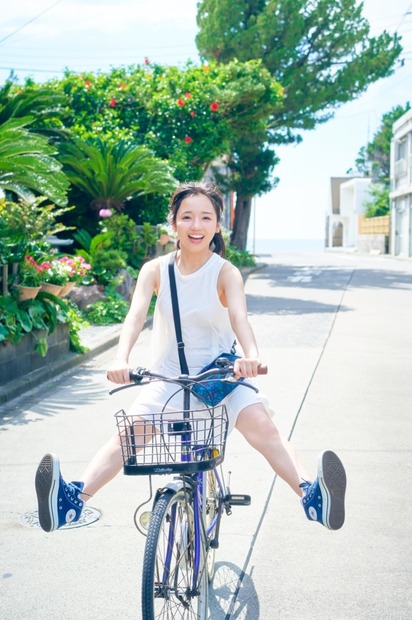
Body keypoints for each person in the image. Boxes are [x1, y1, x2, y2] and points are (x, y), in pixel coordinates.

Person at [35, 181, 346, 533]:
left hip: (220, 379)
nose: (195, 226)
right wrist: (120, 359)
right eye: (187, 217)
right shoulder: (155, 270)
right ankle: (70, 503)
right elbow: (136, 316)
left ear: (217, 225)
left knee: (263, 428)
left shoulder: (225, 272)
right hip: (167, 378)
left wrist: (252, 357)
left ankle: (313, 496)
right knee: (127, 437)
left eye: (205, 217)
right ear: (174, 224)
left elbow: (239, 318)